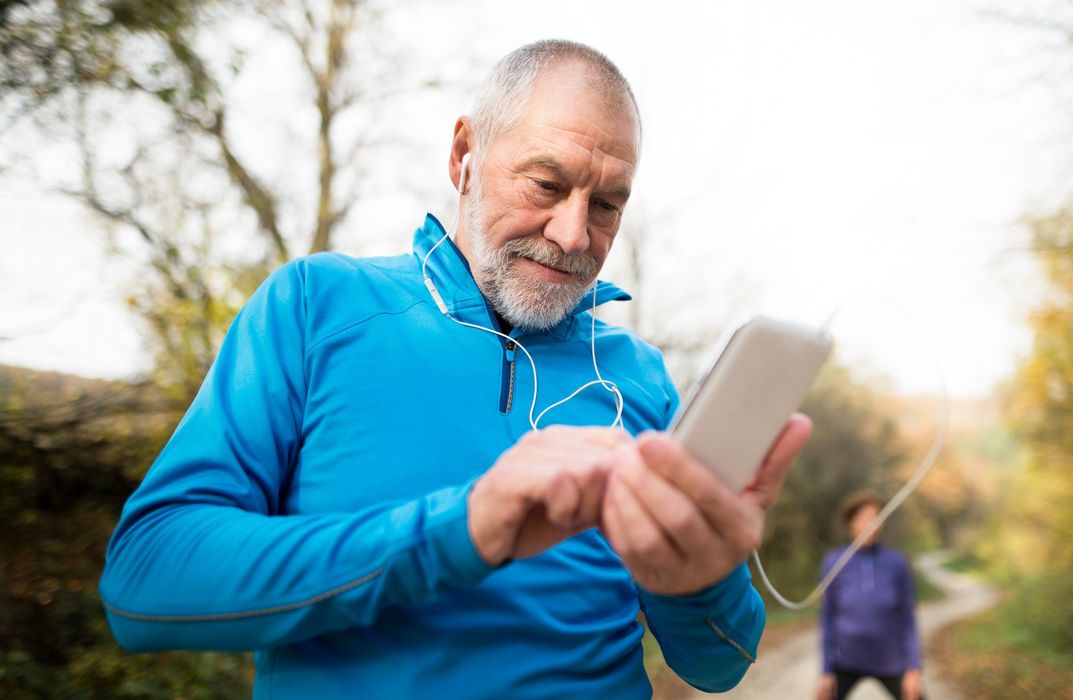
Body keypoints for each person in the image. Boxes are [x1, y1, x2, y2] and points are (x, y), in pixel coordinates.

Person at [98, 39, 813, 698]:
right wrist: (459, 529)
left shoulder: (642, 379)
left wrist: (698, 583)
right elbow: (144, 584)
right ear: (464, 154)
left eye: (605, 204)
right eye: (544, 184)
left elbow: (716, 663)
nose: (573, 234)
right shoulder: (315, 305)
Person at [817, 490, 923, 700]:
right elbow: (827, 619)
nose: (872, 525)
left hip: (891, 662)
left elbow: (908, 620)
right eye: (866, 519)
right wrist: (826, 671)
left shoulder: (897, 562)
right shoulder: (833, 562)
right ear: (851, 521)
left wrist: (913, 668)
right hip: (846, 661)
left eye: (877, 519)